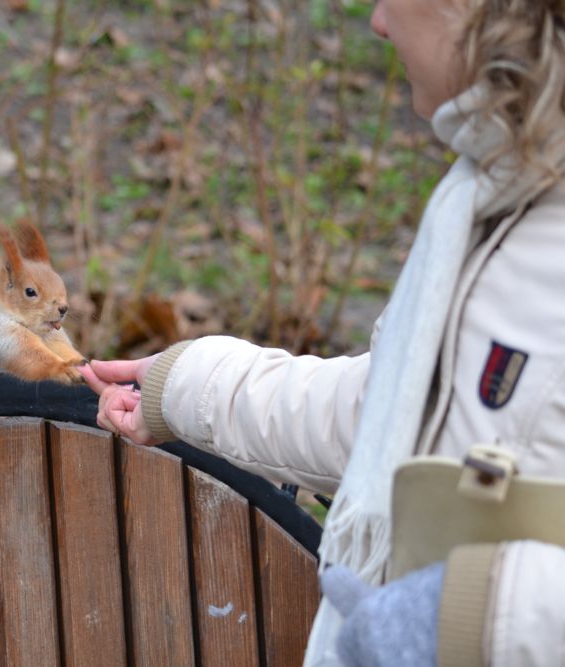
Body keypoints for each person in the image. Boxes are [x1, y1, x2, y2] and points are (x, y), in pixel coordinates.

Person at [80, 0, 565, 665]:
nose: (379, 22)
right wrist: (191, 385)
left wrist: (475, 616)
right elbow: (394, 413)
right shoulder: (488, 191)